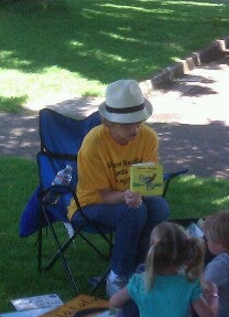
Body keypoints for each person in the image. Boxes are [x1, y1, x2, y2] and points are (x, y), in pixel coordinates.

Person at [67, 79, 169, 297]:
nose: (135, 129)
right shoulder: (94, 143)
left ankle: (142, 272)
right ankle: (117, 277)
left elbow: (148, 182)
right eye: (127, 124)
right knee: (134, 213)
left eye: (138, 122)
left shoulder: (148, 137)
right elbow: (101, 194)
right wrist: (128, 197)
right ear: (109, 123)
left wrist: (138, 194)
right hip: (91, 204)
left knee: (159, 206)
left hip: (130, 199)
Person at [109, 221, 223, 317]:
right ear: (186, 252)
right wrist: (214, 294)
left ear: (152, 250)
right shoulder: (188, 283)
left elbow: (114, 302)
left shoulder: (139, 282)